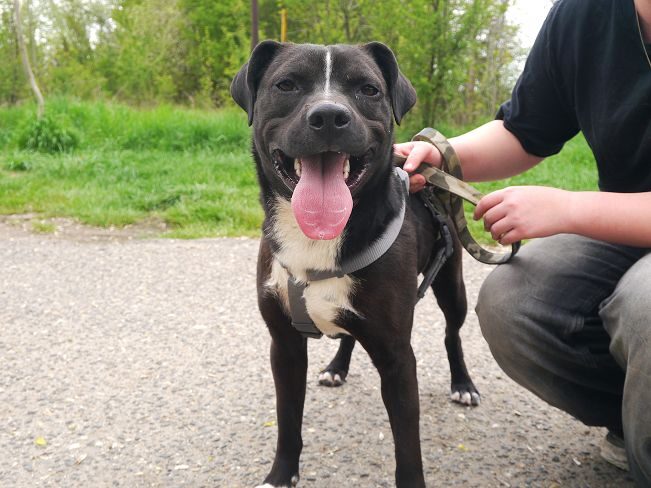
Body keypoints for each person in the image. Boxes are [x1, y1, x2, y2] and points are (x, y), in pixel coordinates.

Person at [394, 0, 651, 485]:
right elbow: (524, 130)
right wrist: (444, 154)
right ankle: (634, 420)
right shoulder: (586, 14)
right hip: (627, 225)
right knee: (514, 300)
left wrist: (569, 209)